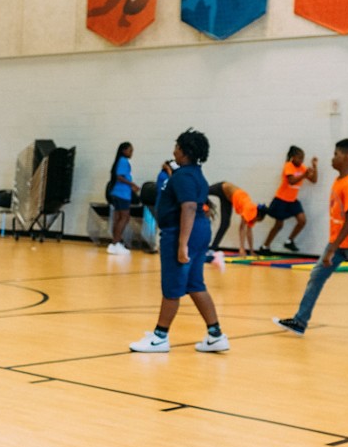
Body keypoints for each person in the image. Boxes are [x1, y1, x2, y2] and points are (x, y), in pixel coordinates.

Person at [273, 139, 348, 346]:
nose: (332, 157)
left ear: (347, 157)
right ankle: (300, 321)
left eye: (336, 154)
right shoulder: (339, 181)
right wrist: (333, 245)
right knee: (316, 276)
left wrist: (332, 248)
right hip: (338, 242)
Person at [130, 128, 229, 353]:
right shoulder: (194, 173)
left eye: (176, 146)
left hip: (181, 232)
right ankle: (215, 335)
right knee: (194, 284)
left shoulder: (184, 176)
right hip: (198, 231)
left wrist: (182, 244)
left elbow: (189, 207)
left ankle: (160, 337)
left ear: (184, 151)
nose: (173, 149)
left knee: (172, 285)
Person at [261, 145, 318, 253]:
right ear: (293, 157)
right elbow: (291, 181)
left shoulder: (302, 167)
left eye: (303, 158)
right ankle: (265, 246)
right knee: (278, 225)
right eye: (299, 158)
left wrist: (315, 167)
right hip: (281, 199)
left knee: (302, 220)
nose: (302, 160)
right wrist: (304, 175)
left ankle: (289, 241)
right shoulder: (288, 166)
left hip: (292, 200)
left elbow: (314, 180)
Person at [207, 181, 262, 258]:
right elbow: (242, 228)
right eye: (257, 220)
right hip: (222, 188)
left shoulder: (253, 212)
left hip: (228, 198)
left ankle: (212, 249)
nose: (255, 222)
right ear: (257, 216)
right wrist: (242, 248)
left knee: (225, 224)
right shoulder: (249, 209)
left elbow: (249, 232)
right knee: (203, 191)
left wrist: (251, 251)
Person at [105, 142, 140, 254]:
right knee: (124, 218)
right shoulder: (123, 161)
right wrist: (132, 184)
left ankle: (115, 243)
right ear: (124, 150)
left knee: (118, 218)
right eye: (130, 151)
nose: (131, 153)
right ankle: (115, 243)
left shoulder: (120, 161)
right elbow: (119, 177)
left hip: (118, 193)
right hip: (122, 194)